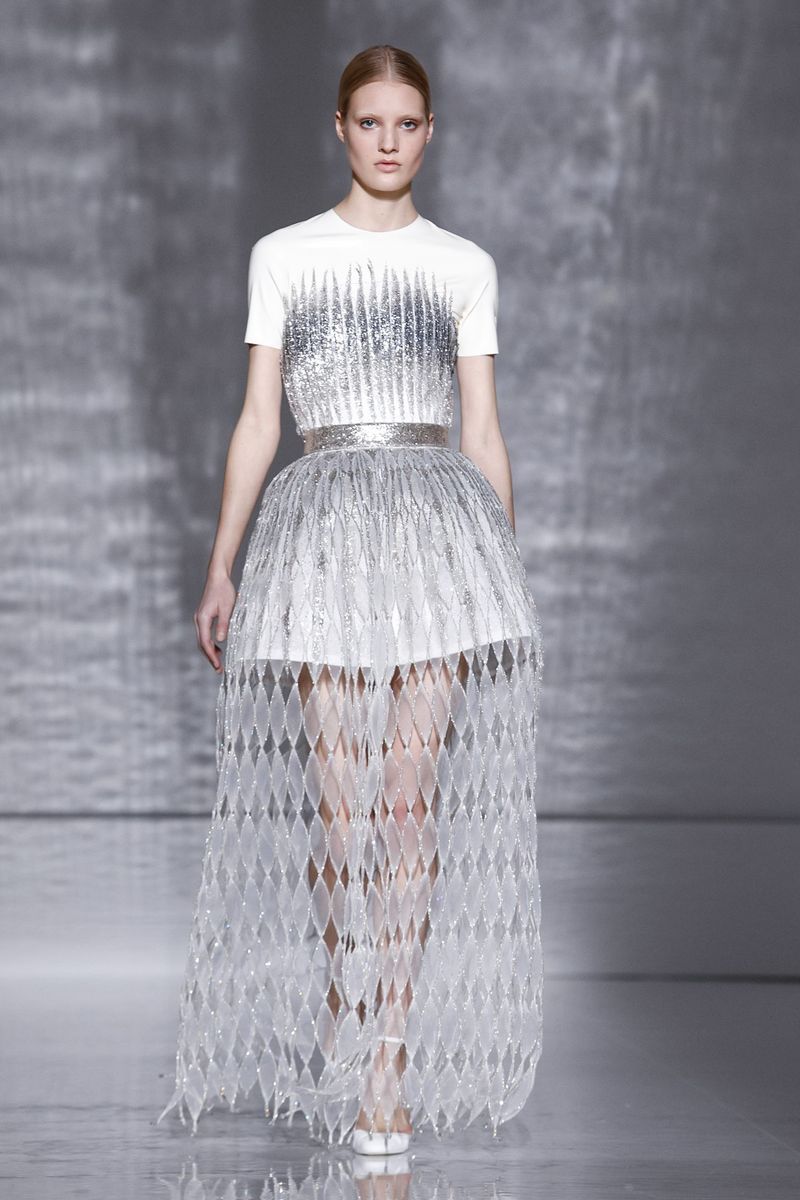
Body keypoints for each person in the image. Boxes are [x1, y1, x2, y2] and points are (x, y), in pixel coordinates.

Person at [156, 43, 544, 1157]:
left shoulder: (462, 266)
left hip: (434, 537)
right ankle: (348, 991)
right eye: (369, 122)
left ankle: (386, 1063)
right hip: (321, 534)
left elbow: (481, 430)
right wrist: (222, 563)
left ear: (430, 132)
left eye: (406, 123)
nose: (387, 141)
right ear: (339, 127)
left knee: (409, 806)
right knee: (341, 812)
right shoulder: (285, 256)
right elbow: (258, 420)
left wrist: (499, 569)